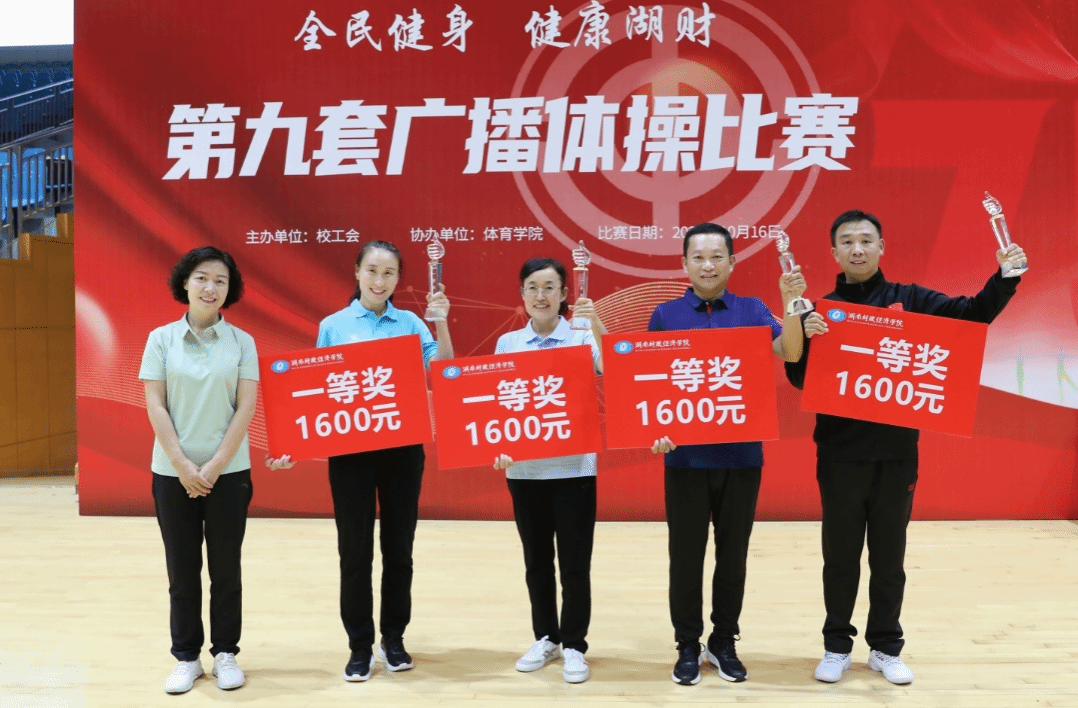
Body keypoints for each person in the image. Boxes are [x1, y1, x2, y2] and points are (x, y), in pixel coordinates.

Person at [784, 210, 1025, 685]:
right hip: (839, 456)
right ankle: (836, 646)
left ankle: (885, 646)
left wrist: (1006, 277)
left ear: (881, 247)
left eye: (865, 240)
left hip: (897, 456)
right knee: (841, 558)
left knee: (889, 559)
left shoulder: (912, 300)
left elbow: (971, 316)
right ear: (834, 252)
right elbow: (798, 378)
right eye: (847, 242)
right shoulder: (820, 311)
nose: (857, 249)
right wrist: (806, 338)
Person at [268, 240, 453, 683]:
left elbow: (442, 372)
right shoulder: (333, 325)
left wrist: (441, 322)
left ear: (398, 279)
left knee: (399, 549)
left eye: (389, 273)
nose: (379, 281)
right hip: (350, 455)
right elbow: (315, 390)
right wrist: (293, 440)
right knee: (354, 552)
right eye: (372, 270)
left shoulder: (410, 323)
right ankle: (359, 646)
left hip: (402, 452)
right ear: (356, 272)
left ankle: (394, 638)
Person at [648, 223, 807, 686]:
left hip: (741, 457)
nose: (707, 265)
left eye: (717, 256)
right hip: (685, 460)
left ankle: (723, 641)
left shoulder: (752, 309)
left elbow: (790, 351)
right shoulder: (665, 315)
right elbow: (650, 382)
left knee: (733, 555)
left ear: (732, 262)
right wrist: (656, 431)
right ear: (684, 264)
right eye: (698, 257)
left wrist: (789, 304)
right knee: (686, 557)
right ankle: (687, 644)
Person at [139, 246, 258, 694]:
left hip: (229, 473)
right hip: (173, 474)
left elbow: (245, 407)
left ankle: (225, 653)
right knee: (182, 570)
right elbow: (156, 404)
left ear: (230, 289)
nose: (211, 287)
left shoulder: (242, 342)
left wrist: (214, 466)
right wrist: (184, 465)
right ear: (186, 282)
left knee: (226, 568)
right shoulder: (161, 339)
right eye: (202, 278)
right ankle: (186, 657)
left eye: (221, 281)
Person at [490, 257, 607, 684]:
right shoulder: (508, 343)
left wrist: (597, 323)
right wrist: (499, 447)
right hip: (524, 473)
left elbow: (614, 366)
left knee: (575, 563)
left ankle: (574, 643)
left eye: (550, 287)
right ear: (522, 294)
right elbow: (498, 405)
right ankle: (546, 637)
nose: (541, 296)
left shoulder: (582, 335)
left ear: (564, 294)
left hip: (574, 469)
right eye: (532, 287)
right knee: (536, 561)